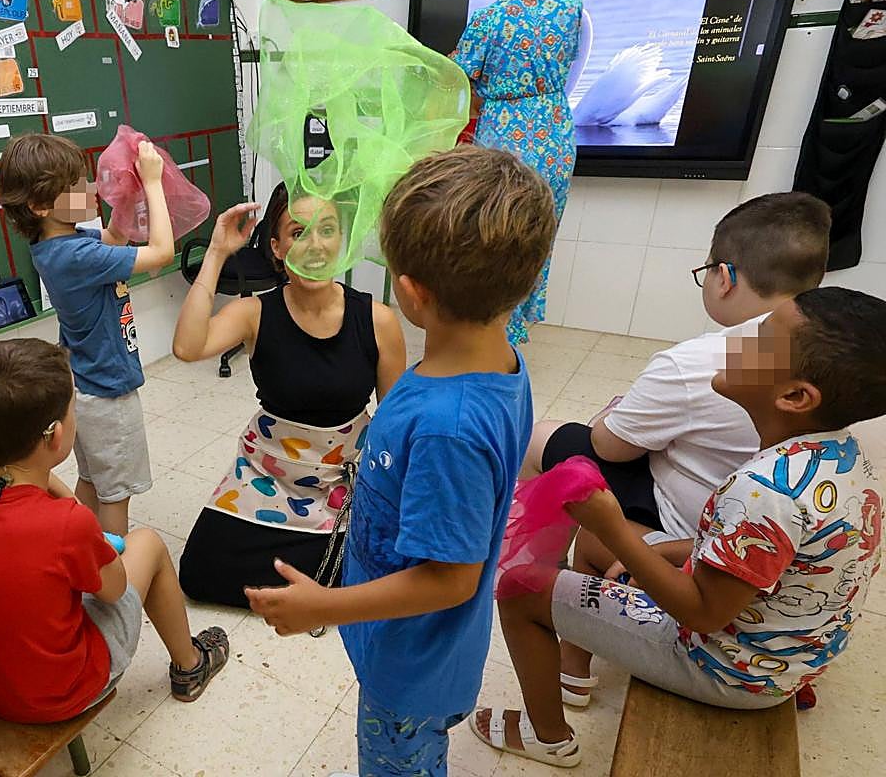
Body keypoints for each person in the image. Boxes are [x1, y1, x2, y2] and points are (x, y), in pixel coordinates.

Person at [473, 287, 886, 768]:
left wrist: (614, 527)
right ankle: (573, 672)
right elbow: (772, 556)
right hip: (792, 654)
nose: (737, 343)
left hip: (730, 669)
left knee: (522, 590)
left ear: (795, 396)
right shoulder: (843, 459)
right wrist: (663, 550)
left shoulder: (761, 490)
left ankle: (547, 737)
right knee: (593, 542)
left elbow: (703, 613)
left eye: (759, 340)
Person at [246, 146, 556, 776]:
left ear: (409, 292)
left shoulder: (450, 426)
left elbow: (452, 578)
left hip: (412, 663)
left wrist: (322, 606)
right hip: (402, 636)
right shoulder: (493, 365)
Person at [518, 192, 832, 705]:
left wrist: (616, 423)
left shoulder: (701, 363)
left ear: (724, 276)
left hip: (709, 547)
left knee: (553, 446)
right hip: (767, 556)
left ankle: (541, 592)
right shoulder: (832, 386)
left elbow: (609, 447)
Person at [0, 339, 230, 722]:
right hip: (54, 695)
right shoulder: (67, 525)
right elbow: (113, 591)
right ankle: (190, 664)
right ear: (56, 436)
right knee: (146, 543)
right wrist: (94, 540)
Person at [173, 182, 406, 608]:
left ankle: (323, 586)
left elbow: (393, 426)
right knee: (198, 573)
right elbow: (188, 347)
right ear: (277, 248)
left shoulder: (377, 319)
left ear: (343, 241)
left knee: (376, 567)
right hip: (268, 473)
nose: (314, 245)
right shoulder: (253, 313)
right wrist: (217, 252)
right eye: (299, 233)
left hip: (342, 480)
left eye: (327, 229)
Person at [0, 134, 173, 536]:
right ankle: (114, 573)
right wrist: (152, 183)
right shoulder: (76, 255)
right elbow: (162, 252)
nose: (90, 190)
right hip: (109, 392)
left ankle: (81, 543)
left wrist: (127, 196)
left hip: (85, 386)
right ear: (40, 206)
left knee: (94, 480)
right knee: (116, 493)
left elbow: (116, 238)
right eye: (76, 187)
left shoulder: (60, 245)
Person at [452, 0, 582, 345]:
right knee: (535, 234)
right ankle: (517, 325)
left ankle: (492, 332)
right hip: (557, 131)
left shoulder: (489, 19)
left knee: (492, 235)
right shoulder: (571, 6)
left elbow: (455, 79)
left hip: (506, 131)